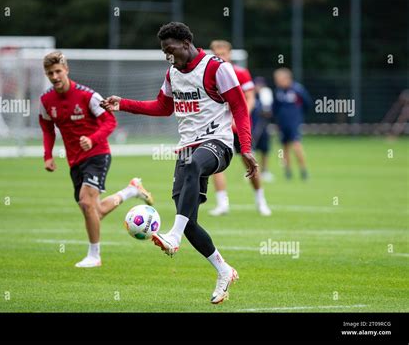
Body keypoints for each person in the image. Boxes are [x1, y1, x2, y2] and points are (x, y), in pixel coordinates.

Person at [101, 22, 258, 304]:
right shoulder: (173, 73)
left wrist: (245, 147)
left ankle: (173, 236)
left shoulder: (216, 68)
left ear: (185, 43)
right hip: (186, 150)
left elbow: (240, 107)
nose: (166, 55)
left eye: (169, 49)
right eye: (163, 51)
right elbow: (162, 107)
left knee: (195, 165)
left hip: (217, 144)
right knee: (190, 221)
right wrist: (122, 103)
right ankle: (223, 270)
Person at [39, 51, 153, 268]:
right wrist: (48, 156)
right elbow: (47, 128)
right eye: (50, 73)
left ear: (66, 70)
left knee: (85, 201)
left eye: (58, 71)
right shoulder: (46, 100)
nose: (54, 76)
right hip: (75, 161)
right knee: (94, 211)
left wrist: (92, 140)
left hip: (97, 154)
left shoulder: (88, 96)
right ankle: (131, 190)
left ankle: (95, 256)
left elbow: (110, 122)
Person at [208, 40, 271, 216]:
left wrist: (239, 117)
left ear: (229, 54)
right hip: (218, 129)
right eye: (216, 53)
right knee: (215, 165)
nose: (220, 56)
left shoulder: (240, 73)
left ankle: (261, 201)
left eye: (223, 53)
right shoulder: (208, 74)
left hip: (238, 128)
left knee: (249, 164)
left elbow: (250, 98)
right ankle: (222, 204)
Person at [273, 67, 312, 180]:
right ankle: (288, 172)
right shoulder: (278, 91)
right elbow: (275, 107)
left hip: (294, 123)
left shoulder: (297, 89)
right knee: (284, 147)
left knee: (296, 145)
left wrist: (298, 116)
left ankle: (303, 170)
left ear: (287, 78)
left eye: (279, 79)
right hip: (282, 123)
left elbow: (307, 104)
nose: (277, 82)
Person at [251, 76, 274, 182]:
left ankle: (265, 171)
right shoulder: (251, 97)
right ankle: (253, 171)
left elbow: (269, 113)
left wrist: (265, 108)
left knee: (264, 150)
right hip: (252, 128)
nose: (258, 87)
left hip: (263, 127)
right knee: (251, 150)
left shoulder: (266, 96)